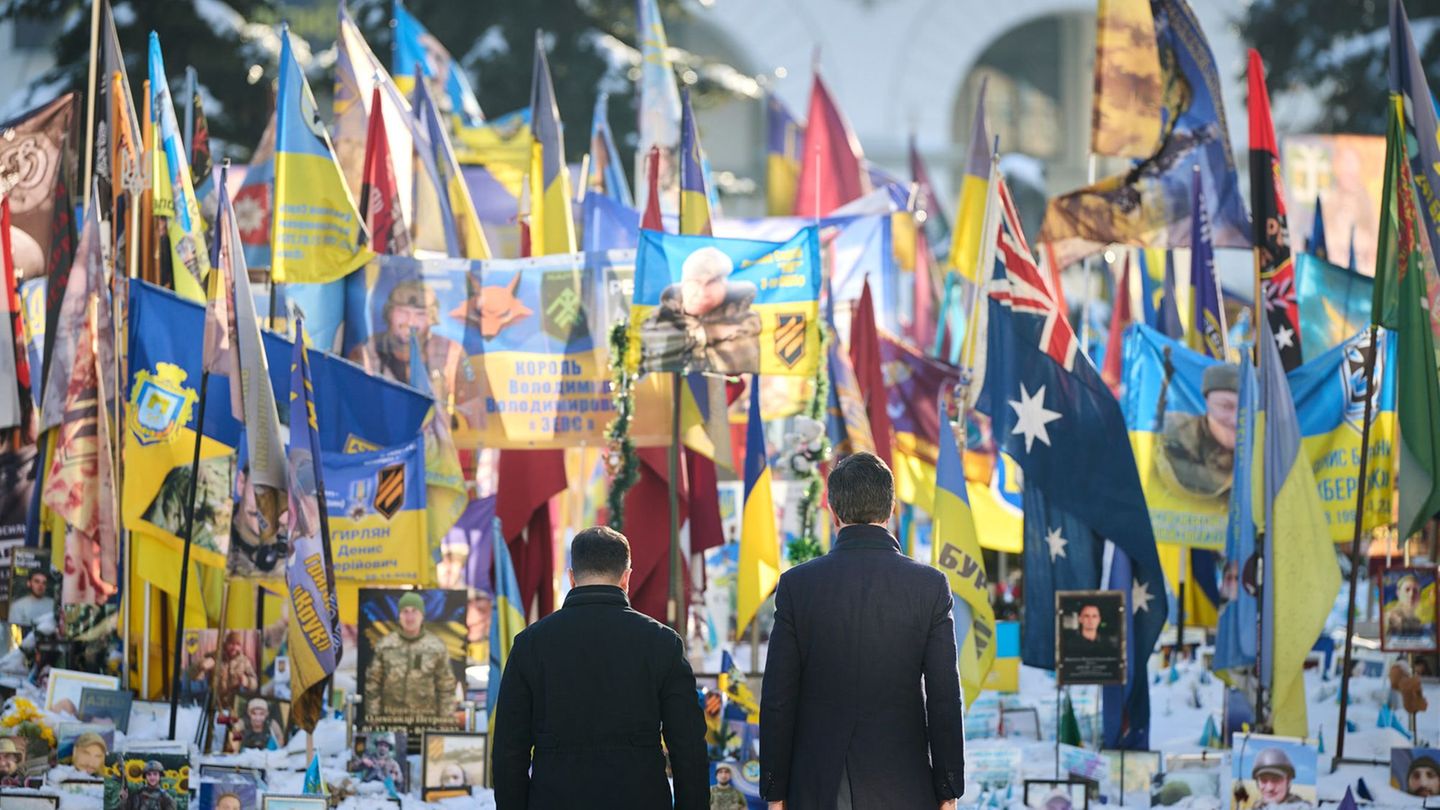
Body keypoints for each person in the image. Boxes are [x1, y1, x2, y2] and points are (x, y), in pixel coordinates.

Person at [759, 452, 964, 809]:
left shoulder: (797, 585)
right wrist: (949, 787)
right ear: (892, 510)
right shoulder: (929, 586)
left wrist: (774, 790)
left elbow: (778, 696)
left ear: (833, 512)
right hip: (902, 783)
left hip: (818, 783)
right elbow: (944, 696)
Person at [491, 526, 708, 809]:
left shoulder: (530, 644)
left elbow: (509, 750)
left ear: (572, 577)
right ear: (626, 578)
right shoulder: (662, 643)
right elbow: (688, 747)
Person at [349, 280, 475, 411]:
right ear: (389, 313)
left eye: (420, 314)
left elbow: (473, 407)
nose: (410, 322)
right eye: (402, 312)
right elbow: (352, 405)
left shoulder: (451, 351)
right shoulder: (367, 350)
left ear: (432, 317)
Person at [639, 246, 762, 374]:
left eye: (712, 282)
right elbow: (650, 349)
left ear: (725, 286)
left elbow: (731, 364)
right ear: (683, 285)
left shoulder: (744, 320)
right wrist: (708, 333)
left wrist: (682, 343)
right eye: (695, 282)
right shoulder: (660, 316)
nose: (702, 292)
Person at [364, 591, 458, 725]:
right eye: (405, 611)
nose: (410, 617)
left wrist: (445, 723)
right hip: (391, 722)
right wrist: (374, 720)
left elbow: (446, 687)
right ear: (399, 616)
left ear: (422, 615)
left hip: (426, 722)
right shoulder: (385, 645)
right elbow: (373, 684)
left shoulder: (436, 647)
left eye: (414, 611)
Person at [1156, 363, 1239, 500]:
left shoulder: (1270, 446)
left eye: (1247, 408)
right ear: (1207, 403)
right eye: (1225, 406)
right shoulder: (1172, 432)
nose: (1236, 420)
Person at [213, 631, 258, 711]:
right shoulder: (215, 657)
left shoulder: (244, 661)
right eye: (231, 644)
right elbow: (193, 675)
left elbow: (255, 683)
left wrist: (247, 681)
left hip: (234, 707)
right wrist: (201, 667)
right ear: (226, 644)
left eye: (237, 644)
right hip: (215, 706)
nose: (234, 647)